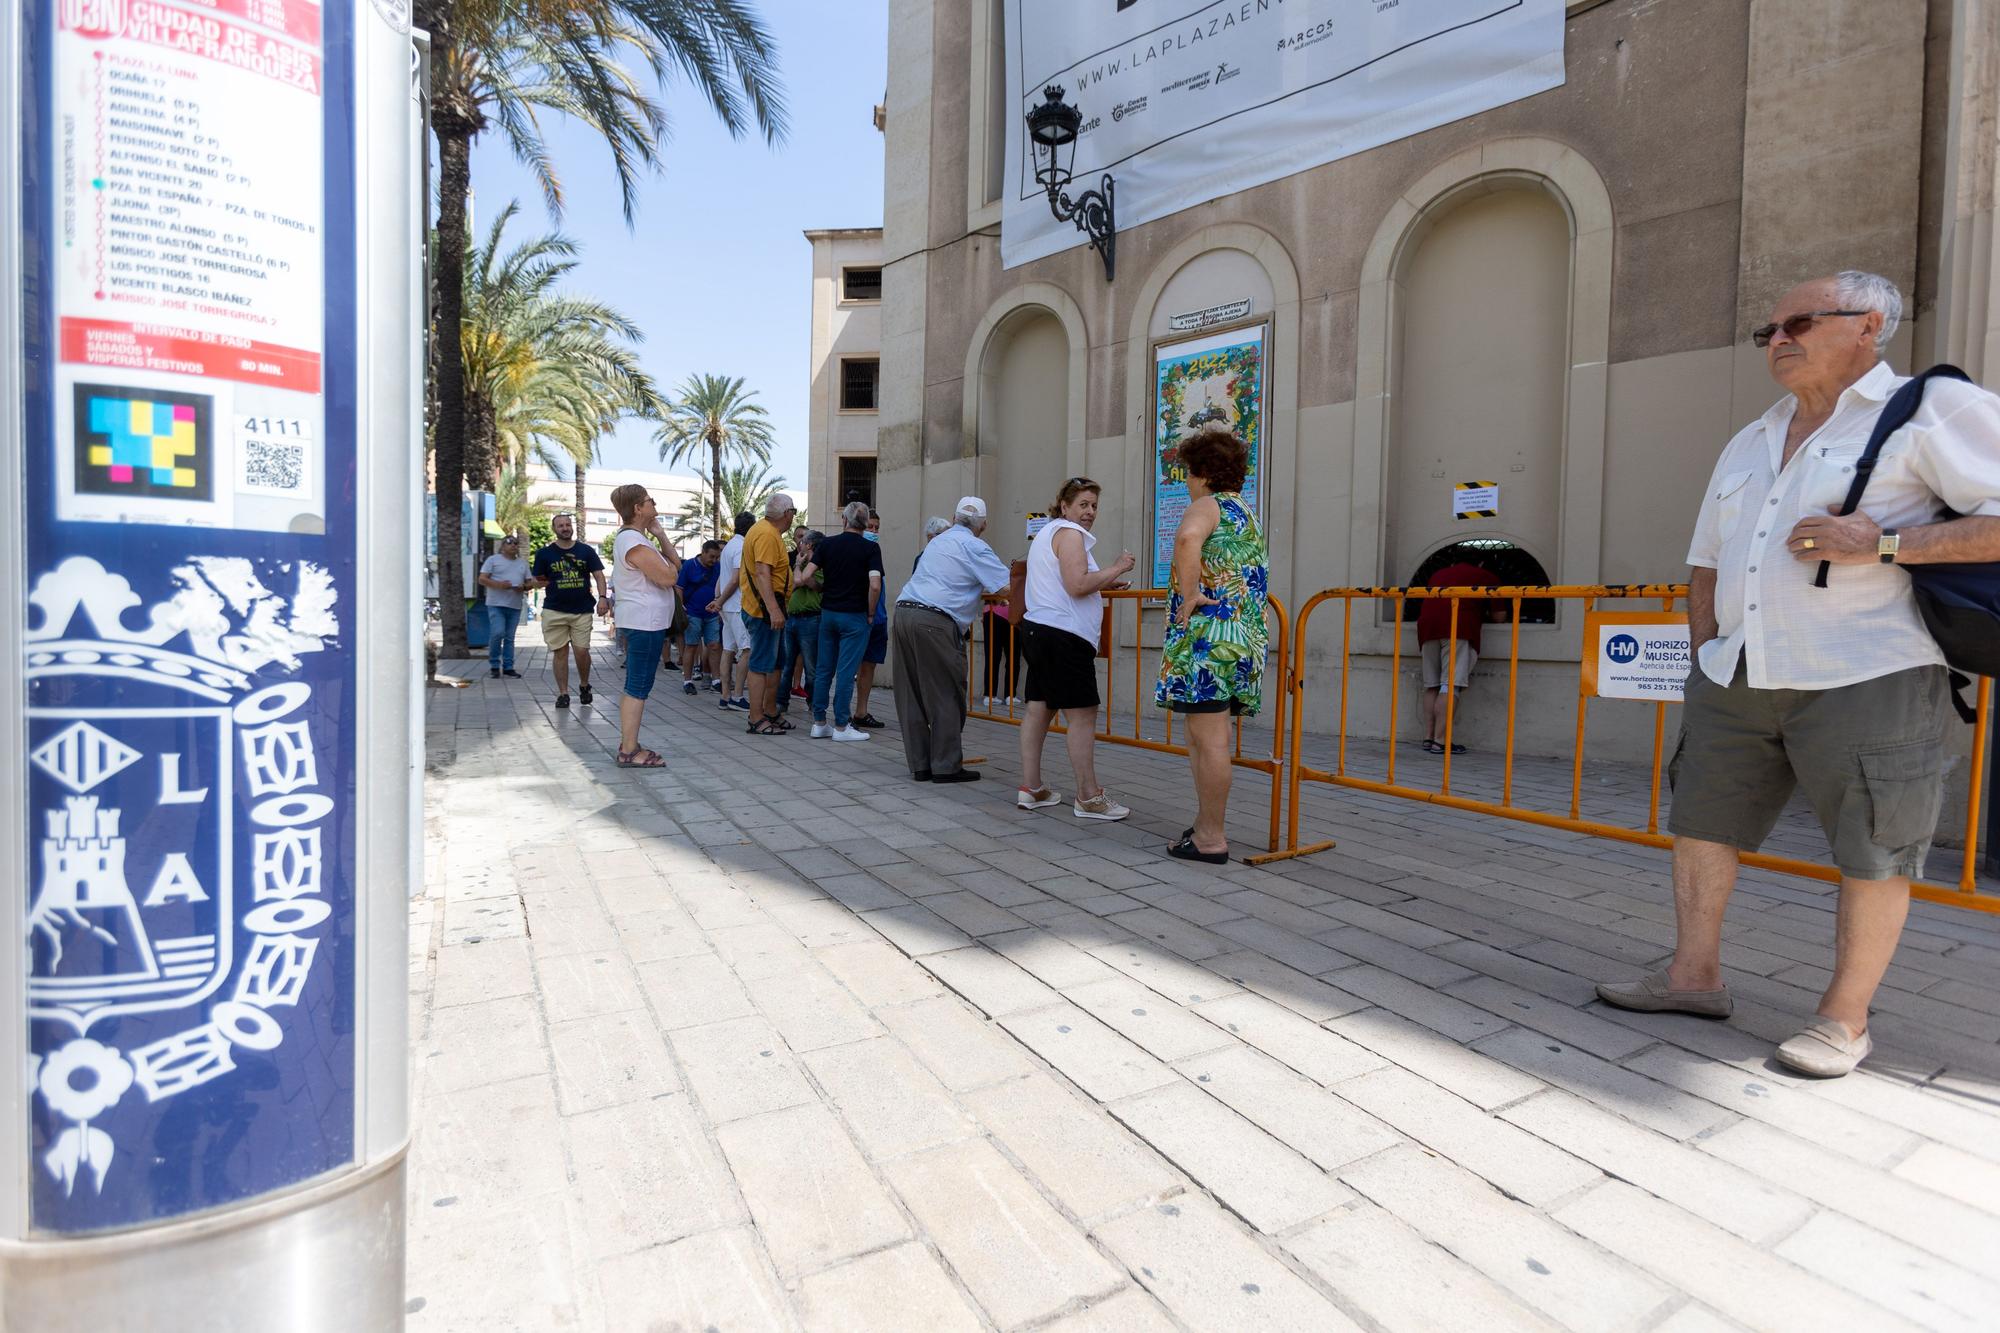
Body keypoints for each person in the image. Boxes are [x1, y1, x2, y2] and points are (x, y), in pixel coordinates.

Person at [1597, 270, 2000, 1078]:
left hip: (1869, 669)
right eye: (1769, 330)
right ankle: (1692, 976)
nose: (1779, 339)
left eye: (1801, 321)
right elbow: (1706, 560)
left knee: (1876, 845)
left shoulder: (1930, 408)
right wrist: (1708, 653)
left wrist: (1881, 543)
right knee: (1704, 821)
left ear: (1870, 325)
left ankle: (1844, 1018)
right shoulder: (1753, 436)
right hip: (1739, 670)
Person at [1156, 430, 1269, 863]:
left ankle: (1210, 838)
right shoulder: (1246, 512)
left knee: (1210, 742)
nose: (1186, 481)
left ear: (1202, 471)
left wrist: (1189, 594)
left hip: (1210, 639)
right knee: (1211, 738)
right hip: (1243, 640)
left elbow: (1187, 539)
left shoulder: (1207, 505)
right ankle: (1206, 824)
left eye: (1188, 472)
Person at [1018, 477, 1137, 819]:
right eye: (1083, 504)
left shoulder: (1049, 532)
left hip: (1041, 630)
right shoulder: (1071, 534)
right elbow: (1076, 584)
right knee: (1083, 715)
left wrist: (1106, 581)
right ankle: (1088, 796)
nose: (1089, 512)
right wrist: (1117, 566)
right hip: (1064, 637)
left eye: (1094, 506)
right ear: (1065, 505)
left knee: (1038, 710)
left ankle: (1032, 788)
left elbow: (1067, 580)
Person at [893, 497, 1012, 782]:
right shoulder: (976, 546)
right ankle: (946, 765)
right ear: (984, 524)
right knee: (946, 692)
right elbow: (1006, 586)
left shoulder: (938, 542)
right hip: (935, 621)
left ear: (954, 517)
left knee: (911, 694)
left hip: (904, 611)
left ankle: (921, 764)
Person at [608, 483, 683, 767]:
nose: (655, 504)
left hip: (646, 621)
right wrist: (671, 568)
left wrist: (661, 534)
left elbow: (673, 565)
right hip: (644, 622)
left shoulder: (638, 538)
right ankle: (629, 750)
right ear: (638, 508)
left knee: (639, 683)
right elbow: (669, 577)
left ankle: (630, 743)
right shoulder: (633, 542)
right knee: (638, 684)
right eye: (650, 501)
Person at [803, 503, 880, 741]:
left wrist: (822, 589)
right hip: (854, 616)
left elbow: (806, 576)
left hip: (828, 613)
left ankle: (818, 723)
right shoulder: (871, 548)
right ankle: (841, 726)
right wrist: (870, 612)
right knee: (846, 672)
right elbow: (875, 585)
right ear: (866, 524)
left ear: (844, 521)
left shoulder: (827, 545)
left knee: (824, 669)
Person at [1416, 558, 1502, 754]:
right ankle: (1441, 742)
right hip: (1458, 628)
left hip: (1427, 628)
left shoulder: (1438, 574)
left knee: (1431, 684)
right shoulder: (1486, 576)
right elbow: (1500, 616)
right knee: (1450, 684)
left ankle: (1428, 738)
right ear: (1480, 563)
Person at [529, 513, 609, 709]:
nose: (565, 528)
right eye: (560, 525)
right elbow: (538, 580)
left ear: (572, 527)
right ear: (554, 529)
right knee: (560, 652)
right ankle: (563, 693)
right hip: (554, 610)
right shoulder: (544, 554)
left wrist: (603, 598)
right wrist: (530, 584)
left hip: (582, 609)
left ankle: (584, 684)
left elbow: (599, 575)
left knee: (582, 651)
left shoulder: (586, 551)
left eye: (567, 524)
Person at [739, 493, 797, 736]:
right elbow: (763, 573)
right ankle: (756, 717)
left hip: (771, 609)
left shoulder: (767, 532)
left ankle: (770, 710)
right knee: (761, 664)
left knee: (774, 664)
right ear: (788, 514)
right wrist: (773, 609)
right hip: (764, 611)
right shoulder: (765, 533)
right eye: (793, 511)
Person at [777, 530, 824, 718]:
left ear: (810, 545)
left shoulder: (820, 567)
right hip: (792, 618)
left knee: (811, 667)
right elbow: (793, 584)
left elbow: (801, 580)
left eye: (803, 541)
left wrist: (798, 566)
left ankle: (813, 703)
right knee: (787, 664)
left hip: (811, 619)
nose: (800, 544)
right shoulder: (799, 564)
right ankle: (781, 702)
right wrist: (798, 565)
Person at [711, 511, 754, 710]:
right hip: (737, 606)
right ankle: (737, 696)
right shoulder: (741, 546)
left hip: (727, 607)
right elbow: (735, 579)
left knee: (728, 649)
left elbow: (723, 577)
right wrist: (719, 601)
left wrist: (718, 600)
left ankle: (725, 696)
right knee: (747, 649)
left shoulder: (729, 546)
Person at [851, 509, 889, 728]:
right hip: (862, 617)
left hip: (879, 619)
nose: (874, 531)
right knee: (851, 667)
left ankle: (861, 712)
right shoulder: (859, 552)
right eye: (870, 527)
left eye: (876, 528)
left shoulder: (875, 550)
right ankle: (842, 713)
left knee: (869, 668)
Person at [477, 535, 530, 679]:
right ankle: (494, 664)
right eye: (509, 542)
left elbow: (530, 582)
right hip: (496, 604)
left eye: (516, 543)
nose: (513, 545)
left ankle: (508, 667)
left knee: (509, 637)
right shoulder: (493, 560)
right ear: (502, 546)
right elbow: (482, 579)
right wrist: (499, 585)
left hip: (514, 605)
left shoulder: (522, 563)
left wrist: (523, 587)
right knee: (497, 633)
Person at [677, 539, 724, 694]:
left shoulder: (717, 567)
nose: (714, 560)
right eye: (712, 557)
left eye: (717, 557)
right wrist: (681, 607)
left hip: (712, 613)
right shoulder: (689, 565)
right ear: (703, 552)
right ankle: (687, 681)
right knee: (691, 645)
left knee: (714, 646)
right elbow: (679, 587)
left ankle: (716, 680)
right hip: (692, 612)